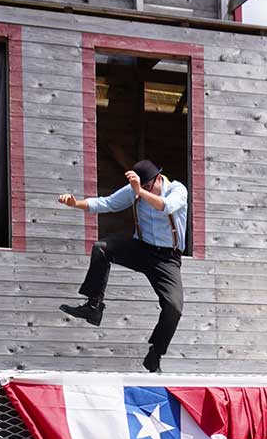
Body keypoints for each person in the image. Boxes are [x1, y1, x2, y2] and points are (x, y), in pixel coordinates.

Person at [56, 159, 189, 373]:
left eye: (147, 186)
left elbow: (166, 207)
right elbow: (107, 203)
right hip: (142, 248)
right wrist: (75, 203)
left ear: (158, 179)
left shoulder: (177, 189)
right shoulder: (135, 189)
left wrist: (140, 190)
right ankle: (93, 306)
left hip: (167, 258)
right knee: (101, 247)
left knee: (174, 307)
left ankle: (156, 353)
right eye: (140, 187)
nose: (142, 191)